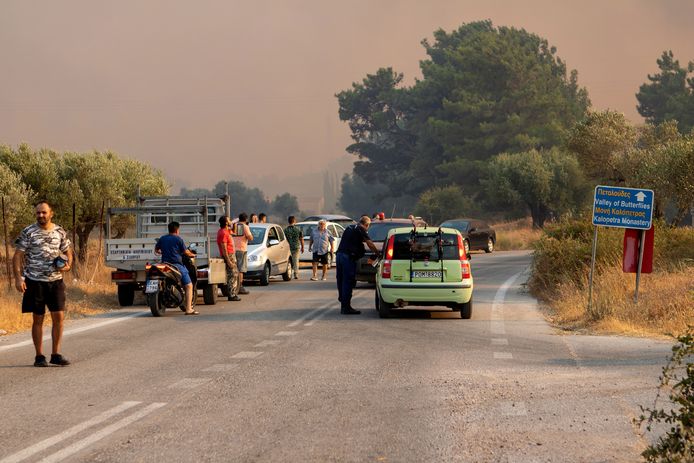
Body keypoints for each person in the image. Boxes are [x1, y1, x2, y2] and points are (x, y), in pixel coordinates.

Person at [13, 200, 74, 367]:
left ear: (51, 213)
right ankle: (39, 356)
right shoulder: (28, 232)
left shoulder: (59, 231)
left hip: (55, 282)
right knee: (37, 318)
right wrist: (19, 278)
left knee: (59, 317)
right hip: (34, 282)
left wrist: (68, 266)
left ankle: (56, 354)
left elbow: (68, 252)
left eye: (44, 212)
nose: (41, 215)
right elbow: (17, 256)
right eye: (38, 213)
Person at [335, 215, 379, 314]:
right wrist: (377, 253)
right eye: (368, 226)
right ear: (366, 225)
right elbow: (370, 244)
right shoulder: (361, 229)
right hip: (348, 258)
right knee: (348, 281)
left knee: (341, 280)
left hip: (339, 256)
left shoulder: (349, 228)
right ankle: (346, 307)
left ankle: (342, 299)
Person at [155, 221, 198, 315]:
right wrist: (193, 255)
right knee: (189, 285)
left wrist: (162, 252)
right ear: (177, 230)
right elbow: (186, 252)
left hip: (164, 264)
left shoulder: (162, 238)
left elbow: (156, 250)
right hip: (176, 265)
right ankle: (189, 309)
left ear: (169, 229)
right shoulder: (178, 239)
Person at [217, 216, 241, 301]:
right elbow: (224, 248)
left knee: (233, 274)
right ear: (226, 223)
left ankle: (232, 293)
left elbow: (234, 232)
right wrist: (228, 261)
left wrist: (233, 224)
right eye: (229, 220)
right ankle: (232, 295)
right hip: (229, 255)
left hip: (231, 255)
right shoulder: (223, 233)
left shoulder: (226, 231)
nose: (230, 221)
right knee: (232, 275)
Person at [233, 212, 254, 294]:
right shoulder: (245, 227)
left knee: (234, 269)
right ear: (246, 219)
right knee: (241, 269)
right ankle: (240, 286)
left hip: (233, 249)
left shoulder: (234, 225)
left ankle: (234, 286)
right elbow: (250, 237)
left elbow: (232, 222)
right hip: (242, 249)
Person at [284, 215, 304, 280]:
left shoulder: (285, 230)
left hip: (288, 248)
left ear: (288, 221)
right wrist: (303, 247)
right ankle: (296, 274)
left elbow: (284, 240)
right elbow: (301, 239)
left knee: (289, 261)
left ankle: (288, 272)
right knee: (295, 261)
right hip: (296, 247)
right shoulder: (298, 230)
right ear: (294, 221)